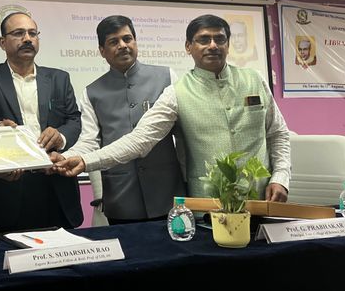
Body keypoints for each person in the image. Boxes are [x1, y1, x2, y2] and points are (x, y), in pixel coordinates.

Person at [52, 14, 290, 203]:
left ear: (228, 45)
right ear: (188, 46)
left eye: (220, 39)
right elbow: (140, 139)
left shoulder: (255, 79)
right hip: (208, 205)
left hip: (263, 198)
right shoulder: (178, 92)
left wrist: (281, 177)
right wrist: (84, 160)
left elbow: (278, 133)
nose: (213, 46)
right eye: (203, 40)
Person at [61, 15, 185, 224]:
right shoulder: (92, 92)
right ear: (102, 51)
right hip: (121, 198)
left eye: (127, 39)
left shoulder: (167, 77)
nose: (123, 45)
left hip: (167, 194)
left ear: (135, 42)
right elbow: (89, 141)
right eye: (113, 42)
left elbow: (182, 135)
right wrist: (66, 157)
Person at [0, 12, 83, 232]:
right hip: (10, 185)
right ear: (2, 42)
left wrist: (60, 136)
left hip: (55, 179)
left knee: (62, 249)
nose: (27, 39)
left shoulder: (59, 78)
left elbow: (74, 119)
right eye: (18, 33)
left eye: (32, 33)